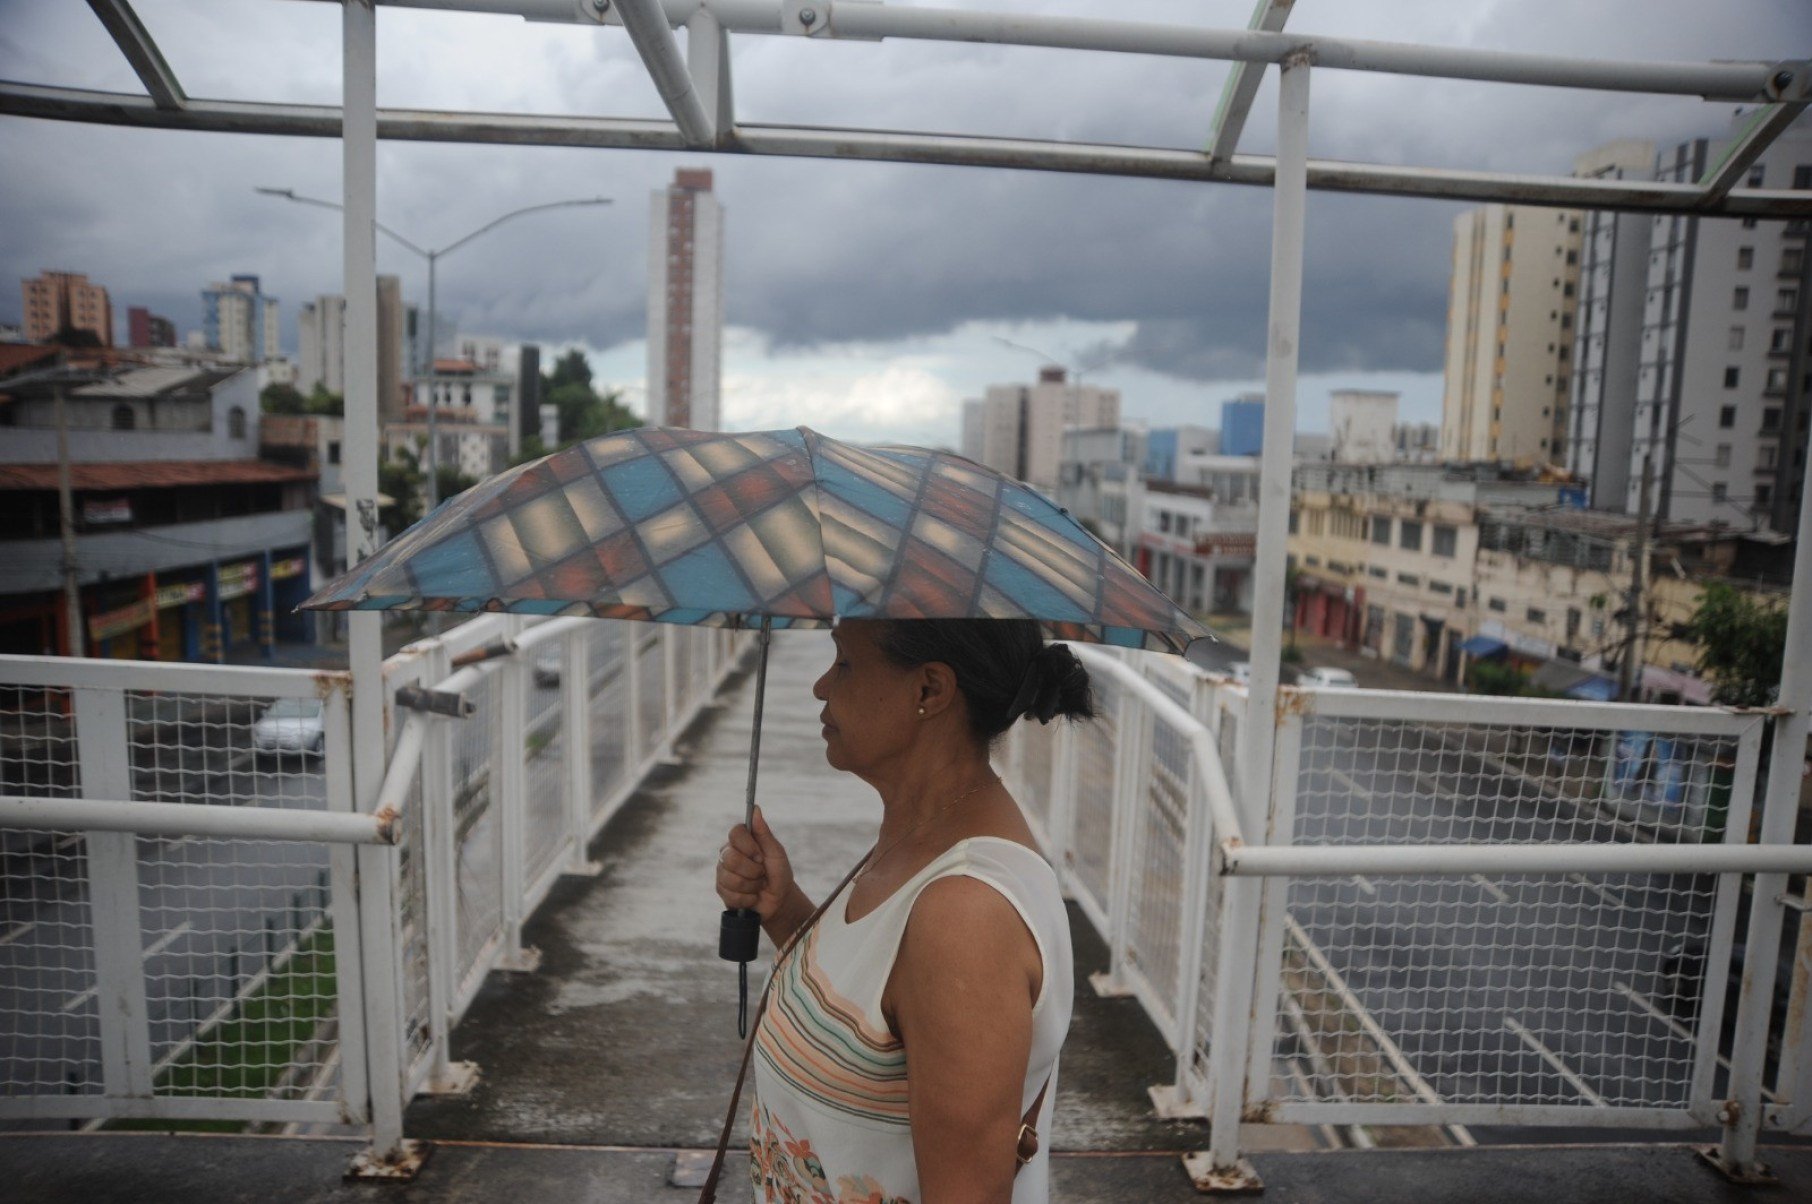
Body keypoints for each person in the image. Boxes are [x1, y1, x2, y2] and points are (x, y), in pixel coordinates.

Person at [715, 617, 1093, 1204]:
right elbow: (879, 1024)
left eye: (843, 662)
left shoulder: (965, 916)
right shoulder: (917, 838)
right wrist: (786, 912)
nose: (821, 686)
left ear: (929, 691)